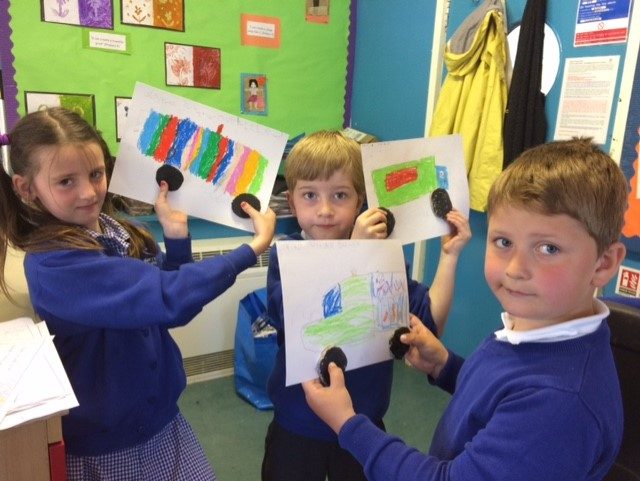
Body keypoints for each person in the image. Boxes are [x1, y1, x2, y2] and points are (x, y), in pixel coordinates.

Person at [302, 137, 627, 481]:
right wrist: (446, 366)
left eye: (548, 248)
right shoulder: (531, 325)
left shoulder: (561, 404)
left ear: (604, 264)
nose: (515, 269)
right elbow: (498, 399)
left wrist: (348, 424)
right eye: (504, 242)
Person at [0, 107, 276, 481]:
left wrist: (176, 240)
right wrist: (252, 249)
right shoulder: (54, 264)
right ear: (26, 188)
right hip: (104, 443)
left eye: (96, 174)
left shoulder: (121, 233)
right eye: (65, 182)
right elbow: (169, 296)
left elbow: (167, 308)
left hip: (161, 422)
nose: (88, 192)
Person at [261, 130, 471, 481]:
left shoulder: (382, 254)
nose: (325, 210)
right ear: (292, 203)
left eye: (340, 195)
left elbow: (430, 324)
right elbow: (301, 319)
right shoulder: (286, 256)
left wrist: (449, 257)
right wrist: (353, 253)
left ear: (360, 200)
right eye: (310, 195)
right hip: (298, 422)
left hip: (362, 423)